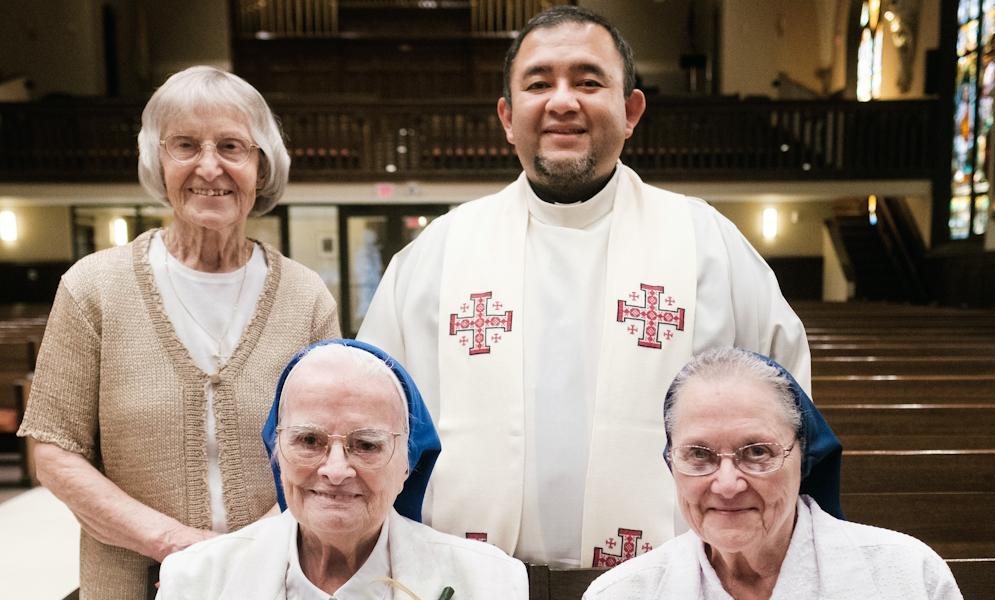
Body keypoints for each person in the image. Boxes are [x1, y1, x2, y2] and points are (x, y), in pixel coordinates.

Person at [357, 6, 810, 568]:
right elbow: (365, 428)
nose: (563, 101)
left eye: (589, 82)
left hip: (671, 577)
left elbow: (788, 421)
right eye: (539, 83)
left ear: (630, 111)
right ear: (506, 115)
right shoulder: (433, 257)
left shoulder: (708, 247)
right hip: (470, 578)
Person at [17, 66, 340, 598]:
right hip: (129, 583)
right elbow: (54, 452)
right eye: (185, 145)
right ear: (157, 161)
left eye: (232, 146)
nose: (208, 166)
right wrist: (175, 545)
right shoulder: (93, 287)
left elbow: (326, 446)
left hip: (271, 581)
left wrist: (247, 553)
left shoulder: (306, 299)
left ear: (261, 166)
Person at [156, 339, 529, 599]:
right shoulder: (196, 580)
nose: (335, 471)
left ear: (407, 464)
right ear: (276, 451)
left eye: (367, 445)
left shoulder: (487, 582)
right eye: (309, 441)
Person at [583, 348, 963, 600]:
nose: (727, 485)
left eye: (757, 452)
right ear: (671, 463)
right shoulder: (623, 593)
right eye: (699, 455)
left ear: (803, 454)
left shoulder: (907, 577)